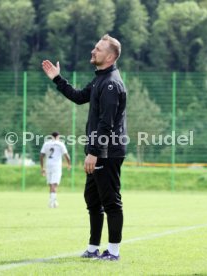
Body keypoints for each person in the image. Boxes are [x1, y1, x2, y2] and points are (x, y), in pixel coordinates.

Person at [42, 34, 127, 260]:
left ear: (109, 56)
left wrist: (93, 153)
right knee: (92, 200)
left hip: (106, 152)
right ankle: (93, 249)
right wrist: (58, 79)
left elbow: (106, 124)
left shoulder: (110, 83)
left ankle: (113, 252)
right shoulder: (101, 78)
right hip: (98, 152)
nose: (93, 51)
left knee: (110, 201)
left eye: (98, 49)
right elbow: (79, 97)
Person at [40, 131, 71, 208]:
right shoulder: (60, 144)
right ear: (58, 136)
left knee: (51, 184)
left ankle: (53, 200)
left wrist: (42, 167)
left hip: (48, 165)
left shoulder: (46, 143)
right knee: (54, 184)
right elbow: (66, 156)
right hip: (56, 166)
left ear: (51, 136)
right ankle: (52, 202)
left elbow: (41, 155)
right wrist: (69, 164)